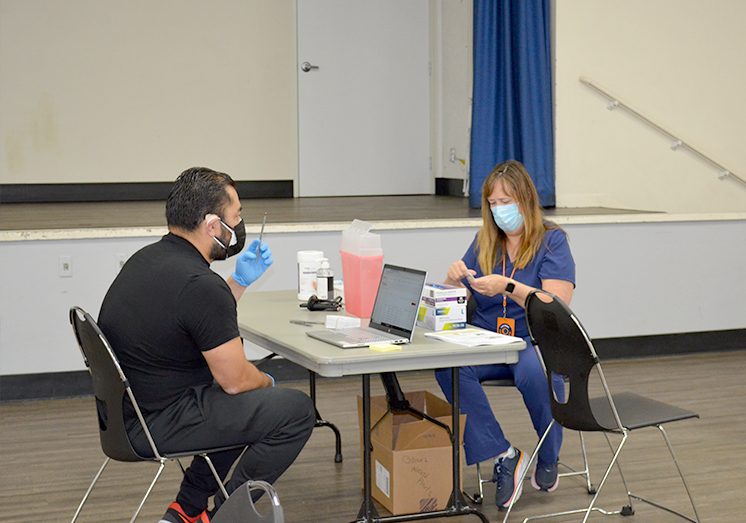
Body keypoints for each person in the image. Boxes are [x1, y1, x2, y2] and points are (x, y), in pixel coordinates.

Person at [98, 167, 316, 523]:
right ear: (213, 226)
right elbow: (236, 380)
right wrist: (266, 383)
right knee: (293, 410)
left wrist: (238, 282)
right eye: (237, 217)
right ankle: (228, 513)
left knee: (238, 404)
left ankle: (188, 508)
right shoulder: (199, 284)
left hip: (127, 416)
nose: (240, 225)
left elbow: (193, 317)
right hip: (156, 424)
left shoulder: (148, 260)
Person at [435, 160, 575, 510]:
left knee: (532, 371)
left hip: (532, 340)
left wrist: (508, 286)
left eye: (506, 202)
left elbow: (555, 304)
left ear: (525, 199)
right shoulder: (485, 241)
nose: (499, 211)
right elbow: (453, 301)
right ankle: (503, 453)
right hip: (487, 340)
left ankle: (547, 455)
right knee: (448, 367)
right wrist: (452, 281)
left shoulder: (552, 241)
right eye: (493, 204)